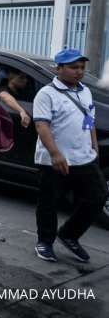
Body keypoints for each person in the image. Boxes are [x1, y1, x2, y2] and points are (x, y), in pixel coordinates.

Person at [32, 49, 108, 263]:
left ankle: (69, 235)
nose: (79, 72)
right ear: (59, 69)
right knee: (49, 202)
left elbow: (89, 119)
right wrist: (55, 154)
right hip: (53, 160)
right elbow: (41, 125)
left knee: (98, 196)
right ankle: (45, 242)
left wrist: (94, 145)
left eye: (82, 67)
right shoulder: (47, 94)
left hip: (84, 157)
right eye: (74, 67)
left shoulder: (85, 91)